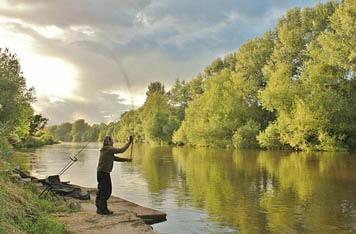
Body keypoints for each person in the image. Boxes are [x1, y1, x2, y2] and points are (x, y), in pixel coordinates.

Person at [96, 135, 133, 215]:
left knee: (101, 190)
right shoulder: (109, 149)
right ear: (109, 141)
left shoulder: (106, 150)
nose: (113, 142)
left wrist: (126, 160)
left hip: (100, 172)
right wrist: (129, 142)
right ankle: (103, 210)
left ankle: (100, 208)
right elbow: (121, 150)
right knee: (106, 191)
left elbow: (115, 158)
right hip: (104, 173)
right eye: (112, 140)